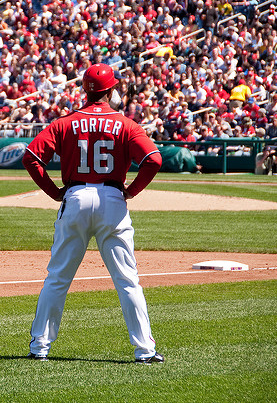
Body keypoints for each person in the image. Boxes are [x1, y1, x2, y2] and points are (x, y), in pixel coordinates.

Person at [22, 64, 164, 364]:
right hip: (112, 199)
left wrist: (54, 191)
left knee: (58, 277)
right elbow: (153, 159)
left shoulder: (65, 122)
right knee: (127, 280)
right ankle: (145, 351)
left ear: (84, 89)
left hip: (75, 197)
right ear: (111, 91)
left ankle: (39, 348)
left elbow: (31, 158)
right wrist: (131, 190)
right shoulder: (126, 124)